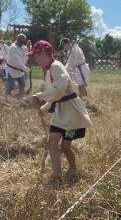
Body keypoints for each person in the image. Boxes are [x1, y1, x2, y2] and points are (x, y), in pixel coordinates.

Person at [28, 40, 91, 185]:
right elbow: (55, 96)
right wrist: (43, 108)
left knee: (65, 147)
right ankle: (57, 177)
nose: (35, 60)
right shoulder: (50, 69)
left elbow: (60, 87)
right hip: (60, 113)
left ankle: (73, 169)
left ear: (43, 54)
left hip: (72, 114)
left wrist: (40, 96)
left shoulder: (56, 67)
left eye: (36, 56)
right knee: (52, 143)